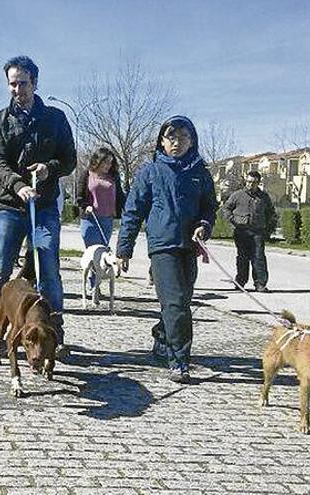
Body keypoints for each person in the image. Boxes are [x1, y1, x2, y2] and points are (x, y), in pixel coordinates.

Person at [0, 55, 77, 360]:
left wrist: (49, 169)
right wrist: (18, 185)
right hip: (8, 205)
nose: (16, 89)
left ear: (35, 83)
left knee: (48, 267)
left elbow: (69, 159)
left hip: (44, 207)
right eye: (12, 83)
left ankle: (53, 328)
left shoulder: (56, 119)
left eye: (22, 83)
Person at [115, 115, 217, 384]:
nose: (177, 142)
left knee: (181, 302)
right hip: (162, 246)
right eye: (171, 137)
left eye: (183, 137)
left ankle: (162, 337)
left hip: (190, 245)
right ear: (161, 141)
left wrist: (204, 225)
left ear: (192, 141)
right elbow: (133, 211)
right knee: (175, 304)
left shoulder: (201, 173)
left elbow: (209, 207)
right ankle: (179, 360)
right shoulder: (150, 172)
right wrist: (124, 248)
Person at [76, 147, 126, 295]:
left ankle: (96, 284)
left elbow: (120, 197)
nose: (107, 166)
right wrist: (85, 206)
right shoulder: (87, 175)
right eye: (105, 163)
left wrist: (128, 210)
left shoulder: (113, 177)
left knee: (103, 253)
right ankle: (93, 285)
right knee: (93, 253)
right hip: (90, 220)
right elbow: (79, 197)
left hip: (107, 219)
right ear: (97, 161)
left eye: (110, 163)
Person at [221, 170, 277, 292]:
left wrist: (267, 229)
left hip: (257, 232)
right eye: (249, 182)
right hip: (241, 231)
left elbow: (271, 213)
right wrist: (232, 220)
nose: (250, 184)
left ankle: (260, 284)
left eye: (254, 182)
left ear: (258, 183)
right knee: (242, 258)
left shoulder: (264, 197)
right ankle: (240, 282)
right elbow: (226, 208)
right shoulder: (237, 195)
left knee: (259, 257)